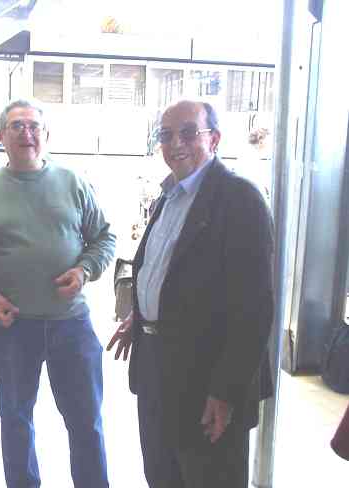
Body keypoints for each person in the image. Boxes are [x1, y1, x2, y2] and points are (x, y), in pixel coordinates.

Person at [107, 100, 274, 488]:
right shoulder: (168, 196)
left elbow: (253, 308)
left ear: (214, 139)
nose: (175, 143)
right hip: (157, 368)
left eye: (188, 132)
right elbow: (166, 271)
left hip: (206, 380)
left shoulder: (239, 199)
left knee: (209, 477)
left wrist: (226, 392)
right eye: (166, 135)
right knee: (162, 473)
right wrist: (141, 315)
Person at [0, 99, 115, 488]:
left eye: (34, 126)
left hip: (71, 326)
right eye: (17, 126)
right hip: (13, 328)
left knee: (86, 421)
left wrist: (84, 270)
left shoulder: (73, 183)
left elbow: (103, 238)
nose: (27, 133)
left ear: (46, 135)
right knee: (15, 419)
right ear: (1, 137)